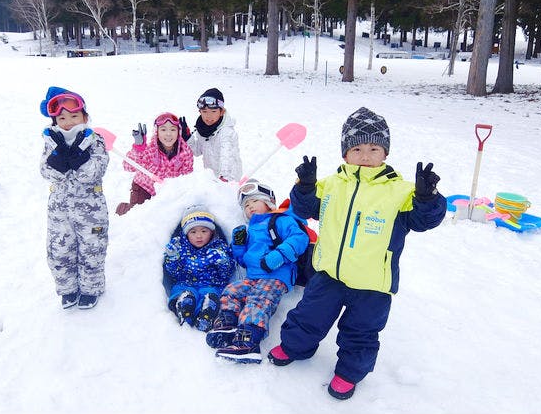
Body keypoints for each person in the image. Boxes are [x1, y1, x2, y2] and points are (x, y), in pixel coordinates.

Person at [266, 107, 447, 400]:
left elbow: (424, 220)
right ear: (345, 153)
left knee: (361, 332)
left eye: (374, 148)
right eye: (357, 148)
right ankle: (295, 346)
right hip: (328, 274)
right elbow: (303, 209)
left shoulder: (400, 192)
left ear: (385, 153)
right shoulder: (332, 184)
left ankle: (349, 373)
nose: (365, 155)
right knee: (309, 314)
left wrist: (428, 198)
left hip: (372, 284)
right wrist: (305, 187)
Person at [205, 180, 310, 363]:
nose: (250, 207)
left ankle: (249, 341)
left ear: (269, 201)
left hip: (276, 276)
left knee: (258, 300)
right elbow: (243, 261)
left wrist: (278, 255)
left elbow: (299, 238)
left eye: (255, 201)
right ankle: (228, 323)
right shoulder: (251, 230)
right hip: (253, 277)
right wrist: (238, 246)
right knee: (232, 291)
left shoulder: (281, 219)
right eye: (246, 205)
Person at [39, 86, 109, 309]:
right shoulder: (51, 142)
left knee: (92, 249)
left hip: (91, 211)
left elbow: (94, 172)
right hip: (60, 210)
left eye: (74, 116)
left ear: (85, 117)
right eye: (61, 117)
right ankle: (67, 289)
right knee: (59, 251)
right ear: (54, 120)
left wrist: (79, 158)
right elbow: (45, 172)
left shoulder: (94, 140)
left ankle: (90, 289)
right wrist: (57, 161)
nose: (68, 121)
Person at [163, 205, 236, 332]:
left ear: (212, 232)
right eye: (193, 232)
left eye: (204, 231)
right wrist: (172, 258)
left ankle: (205, 315)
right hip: (185, 283)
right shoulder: (181, 248)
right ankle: (183, 308)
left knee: (210, 296)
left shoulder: (219, 247)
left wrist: (223, 261)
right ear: (186, 234)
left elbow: (226, 274)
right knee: (184, 293)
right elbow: (174, 273)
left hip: (210, 284)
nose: (199, 236)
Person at [116, 112, 194, 215]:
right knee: (138, 215)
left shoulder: (185, 152)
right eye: (163, 129)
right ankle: (123, 208)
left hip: (168, 190)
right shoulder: (149, 149)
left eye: (173, 129)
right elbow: (128, 166)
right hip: (144, 188)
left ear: (178, 132)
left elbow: (188, 176)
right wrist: (138, 149)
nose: (168, 134)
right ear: (157, 132)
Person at [179, 88, 242, 182]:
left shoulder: (226, 133)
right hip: (212, 178)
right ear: (200, 112)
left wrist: (225, 177)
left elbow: (227, 156)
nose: (209, 116)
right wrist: (187, 137)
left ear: (222, 112)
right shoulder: (203, 130)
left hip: (229, 180)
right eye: (204, 112)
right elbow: (197, 151)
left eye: (213, 112)